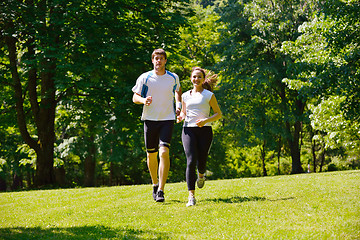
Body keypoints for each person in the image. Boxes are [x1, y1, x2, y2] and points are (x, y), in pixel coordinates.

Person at [132, 49, 182, 202]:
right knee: (151, 155)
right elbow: (135, 97)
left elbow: (178, 91)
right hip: (150, 119)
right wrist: (143, 100)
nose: (158, 61)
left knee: (164, 153)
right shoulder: (145, 78)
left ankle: (161, 190)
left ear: (165, 60)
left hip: (167, 119)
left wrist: (178, 105)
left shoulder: (173, 77)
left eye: (161, 58)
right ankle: (154, 183)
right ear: (152, 60)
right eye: (156, 58)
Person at [177, 67, 222, 207]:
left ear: (203, 80)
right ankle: (191, 196)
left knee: (202, 160)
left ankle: (201, 175)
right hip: (188, 130)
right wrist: (180, 117)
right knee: (190, 161)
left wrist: (205, 121)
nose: (196, 79)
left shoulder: (208, 95)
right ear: (191, 79)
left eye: (199, 77)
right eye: (194, 77)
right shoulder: (185, 96)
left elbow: (218, 114)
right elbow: (184, 113)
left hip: (205, 131)